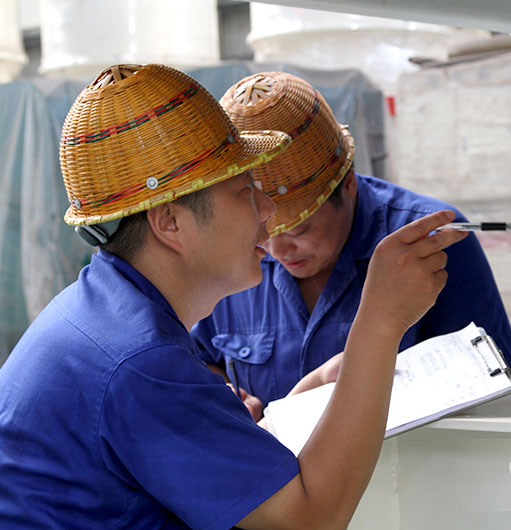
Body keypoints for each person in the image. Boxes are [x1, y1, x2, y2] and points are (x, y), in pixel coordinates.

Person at [0, 63, 467, 529]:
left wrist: (289, 408)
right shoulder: (140, 363)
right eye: (245, 190)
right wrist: (380, 323)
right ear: (171, 223)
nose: (268, 211)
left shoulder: (102, 318)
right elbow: (310, 521)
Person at [191, 72, 511, 405]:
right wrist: (224, 399)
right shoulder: (229, 252)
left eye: (299, 229)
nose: (276, 251)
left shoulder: (427, 244)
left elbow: (492, 384)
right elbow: (200, 359)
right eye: (260, 232)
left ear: (348, 184)